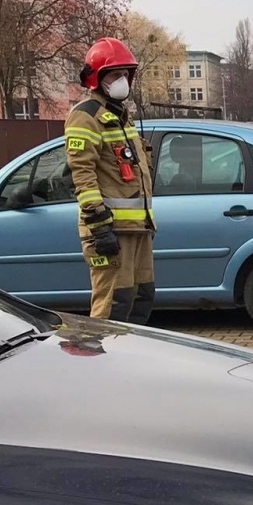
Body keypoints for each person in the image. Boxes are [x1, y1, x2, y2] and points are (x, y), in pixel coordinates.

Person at [66, 37, 156, 323]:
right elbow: (82, 172)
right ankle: (103, 363)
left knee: (141, 299)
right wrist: (99, 226)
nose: (122, 81)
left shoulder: (120, 116)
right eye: (114, 75)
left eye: (125, 74)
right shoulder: (85, 117)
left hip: (137, 228)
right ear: (97, 78)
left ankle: (130, 362)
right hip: (110, 231)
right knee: (113, 305)